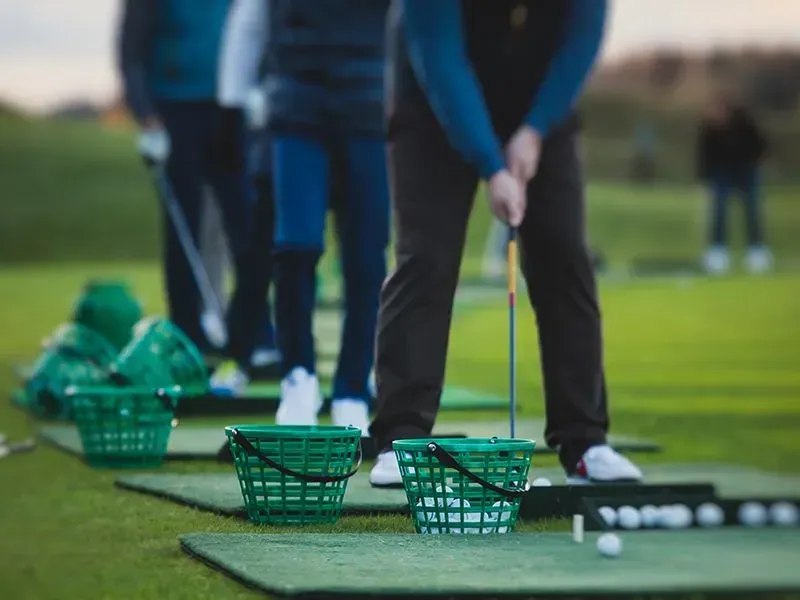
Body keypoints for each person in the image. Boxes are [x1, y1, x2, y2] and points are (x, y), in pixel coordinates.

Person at [369, 0, 643, 486]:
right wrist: (492, 166)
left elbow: (580, 43)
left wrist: (534, 132)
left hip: (537, 103)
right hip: (432, 105)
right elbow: (441, 63)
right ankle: (400, 439)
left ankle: (584, 441)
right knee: (426, 260)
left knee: (564, 258)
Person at [216, 0, 391, 429]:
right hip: (296, 107)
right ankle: (298, 377)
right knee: (296, 246)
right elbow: (250, 21)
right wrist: (236, 101)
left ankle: (352, 389)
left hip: (371, 108)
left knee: (366, 257)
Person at [117, 0, 255, 357]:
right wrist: (145, 116)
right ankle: (188, 333)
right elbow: (130, 50)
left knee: (249, 226)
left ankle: (252, 329)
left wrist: (259, 87)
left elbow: (253, 33)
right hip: (173, 112)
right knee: (183, 231)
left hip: (230, 110)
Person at [696, 93, 772, 275]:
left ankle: (757, 250)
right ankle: (718, 251)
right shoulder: (709, 129)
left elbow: (761, 145)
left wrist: (753, 164)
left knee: (752, 210)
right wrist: (704, 177)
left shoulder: (745, 124)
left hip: (746, 171)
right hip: (721, 173)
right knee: (719, 210)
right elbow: (704, 154)